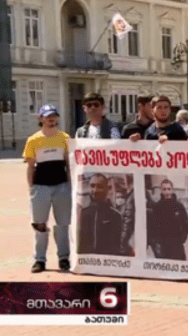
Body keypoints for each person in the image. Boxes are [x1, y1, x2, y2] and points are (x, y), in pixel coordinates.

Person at [24, 104, 72, 273]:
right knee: (39, 225)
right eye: (48, 116)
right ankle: (39, 260)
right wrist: (32, 188)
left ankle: (64, 258)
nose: (52, 118)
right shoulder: (33, 140)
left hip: (62, 186)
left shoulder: (65, 138)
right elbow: (30, 167)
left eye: (54, 115)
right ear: (41, 118)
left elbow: (68, 163)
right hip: (40, 186)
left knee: (63, 224)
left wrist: (70, 185)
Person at [77, 174, 124, 256]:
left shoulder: (115, 216)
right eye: (92, 186)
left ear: (107, 189)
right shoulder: (82, 214)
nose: (95, 190)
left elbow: (117, 246)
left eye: (99, 186)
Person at [148, 179, 188, 260]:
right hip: (163, 248)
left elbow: (186, 224)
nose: (167, 192)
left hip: (178, 247)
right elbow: (153, 228)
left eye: (168, 189)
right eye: (164, 189)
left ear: (172, 190)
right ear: (161, 190)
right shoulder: (157, 207)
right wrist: (157, 243)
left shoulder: (179, 206)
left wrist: (182, 239)